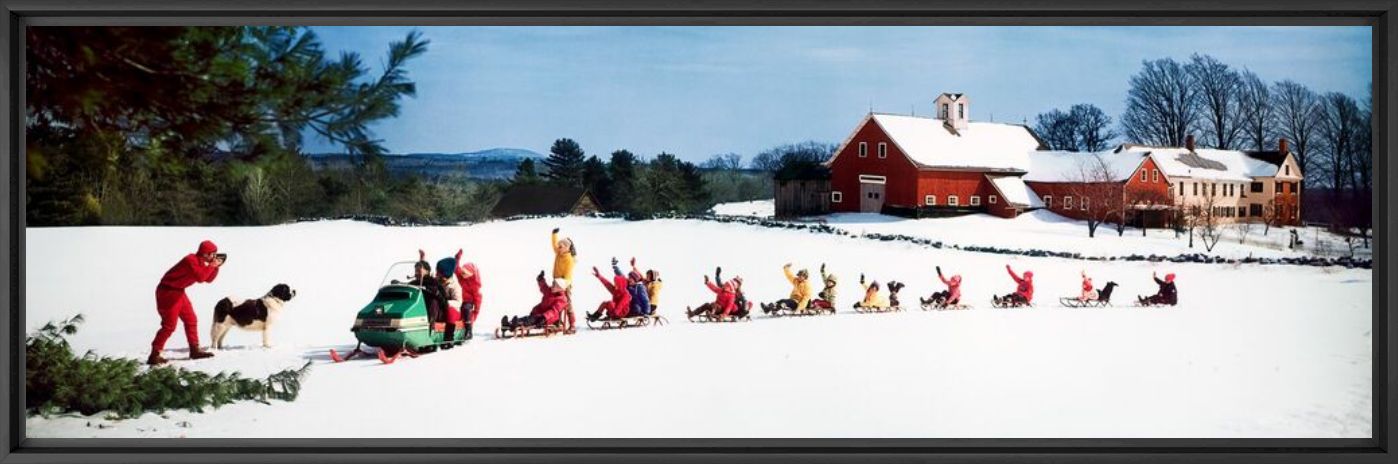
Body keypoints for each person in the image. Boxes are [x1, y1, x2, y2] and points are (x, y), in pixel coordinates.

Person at [149, 240, 224, 365]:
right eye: (212, 254)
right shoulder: (191, 260)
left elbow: (208, 279)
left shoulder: (201, 262)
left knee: (191, 320)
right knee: (169, 325)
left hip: (178, 291)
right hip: (167, 292)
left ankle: (194, 350)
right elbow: (200, 277)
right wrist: (211, 266)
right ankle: (154, 354)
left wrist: (215, 267)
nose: (214, 256)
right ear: (205, 253)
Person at [502, 271, 570, 330]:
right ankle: (509, 323)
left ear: (559, 288)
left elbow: (554, 311)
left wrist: (544, 317)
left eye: (554, 285)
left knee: (531, 320)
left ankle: (517, 324)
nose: (551, 285)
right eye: (552, 283)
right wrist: (541, 279)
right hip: (540, 314)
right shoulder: (550, 291)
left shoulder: (562, 299)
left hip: (548, 318)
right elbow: (544, 288)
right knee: (528, 318)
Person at [452, 249, 482, 340]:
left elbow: (478, 298)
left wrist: (476, 309)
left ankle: (469, 331)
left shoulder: (474, 285)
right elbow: (456, 269)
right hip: (459, 299)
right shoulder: (462, 277)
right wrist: (457, 258)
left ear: (471, 274)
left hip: (467, 302)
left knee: (466, 310)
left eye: (465, 273)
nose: (463, 274)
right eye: (463, 272)